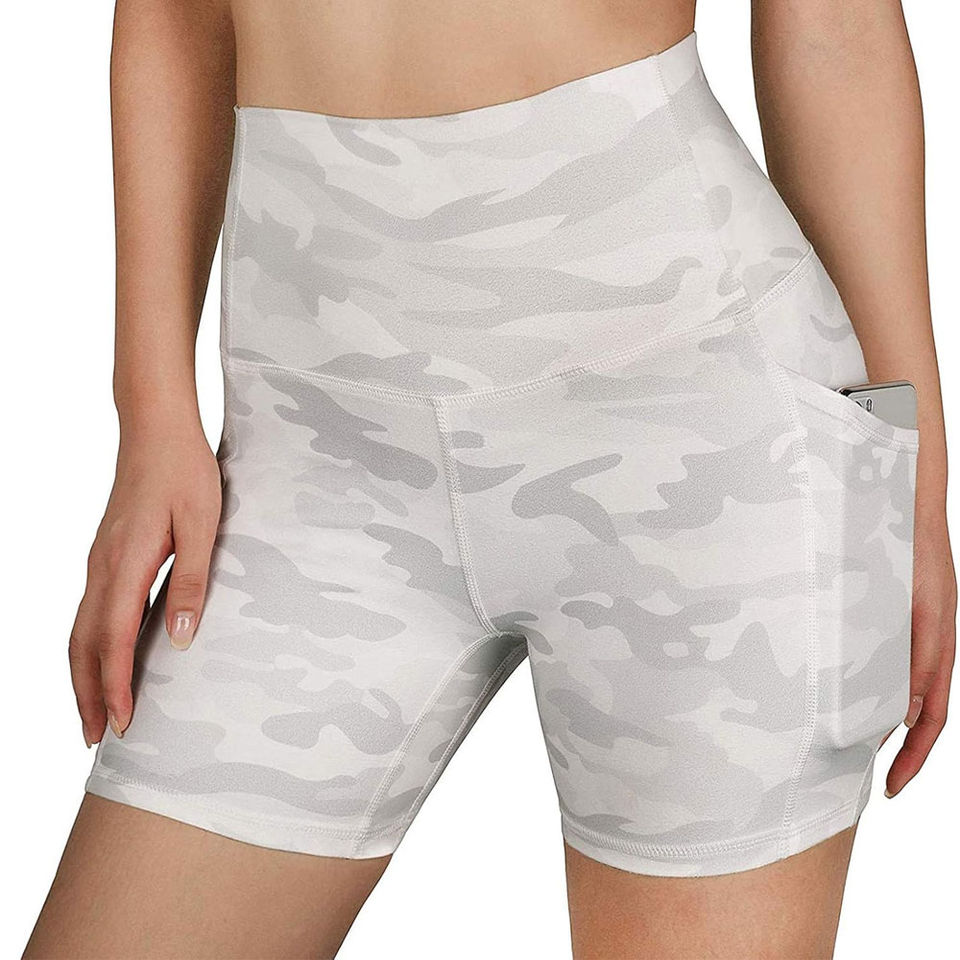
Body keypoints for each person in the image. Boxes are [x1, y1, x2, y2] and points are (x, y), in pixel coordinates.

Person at [24, 1, 955, 957]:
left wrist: (913, 477)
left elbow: (833, 26)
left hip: (699, 433)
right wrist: (151, 412)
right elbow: (172, 13)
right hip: (312, 456)